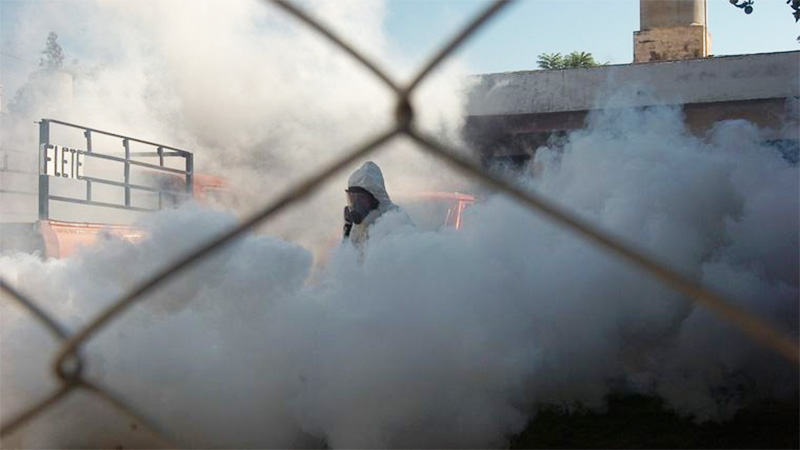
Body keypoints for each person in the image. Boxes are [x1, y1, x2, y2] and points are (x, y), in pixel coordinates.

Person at [342, 161, 411, 250]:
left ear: (375, 198)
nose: (356, 202)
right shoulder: (358, 226)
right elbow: (349, 258)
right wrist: (347, 233)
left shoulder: (395, 219)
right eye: (352, 197)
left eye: (360, 197)